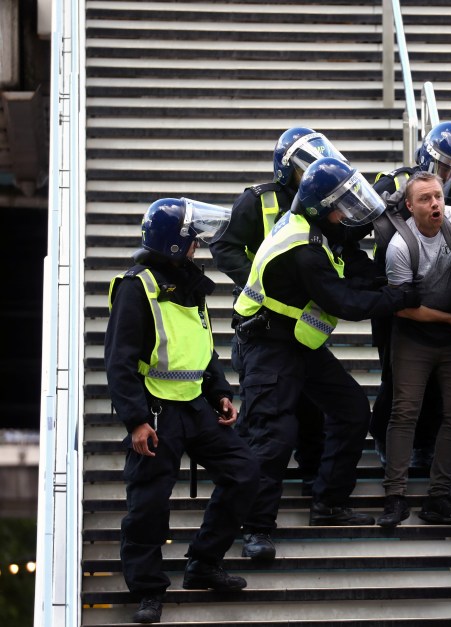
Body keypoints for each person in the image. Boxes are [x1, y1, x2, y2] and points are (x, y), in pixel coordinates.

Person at [234, 157, 420, 562]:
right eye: (343, 205)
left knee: (352, 411)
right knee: (274, 437)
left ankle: (329, 503)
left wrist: (407, 279)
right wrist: (398, 297)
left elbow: (357, 273)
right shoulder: (303, 247)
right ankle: (256, 529)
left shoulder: (323, 233)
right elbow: (345, 301)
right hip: (267, 346)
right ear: (322, 208)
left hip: (298, 344)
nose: (349, 212)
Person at [104, 198, 259, 624]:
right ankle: (149, 591)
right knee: (149, 505)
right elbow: (118, 361)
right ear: (174, 246)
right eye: (192, 240)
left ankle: (203, 563)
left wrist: (220, 393)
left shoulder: (189, 283)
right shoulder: (138, 287)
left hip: (195, 406)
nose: (197, 247)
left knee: (245, 472)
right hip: (155, 411)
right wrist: (135, 420)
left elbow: (201, 347)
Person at [210, 127, 346, 497]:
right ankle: (244, 494)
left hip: (304, 325)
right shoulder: (257, 201)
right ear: (286, 170)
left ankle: (311, 477)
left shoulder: (324, 202)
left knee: (312, 411)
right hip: (263, 324)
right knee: (266, 419)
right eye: (306, 167)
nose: (314, 172)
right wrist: (259, 280)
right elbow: (223, 247)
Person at [376, 171, 451, 527]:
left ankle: (439, 496)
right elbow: (402, 307)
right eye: (425, 199)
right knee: (404, 411)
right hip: (413, 333)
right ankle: (395, 495)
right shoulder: (399, 246)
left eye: (438, 196)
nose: (435, 203)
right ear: (410, 206)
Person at [367, 121, 451, 468]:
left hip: (443, 292)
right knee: (395, 373)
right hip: (395, 291)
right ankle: (385, 436)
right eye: (443, 167)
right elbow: (356, 224)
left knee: (435, 383)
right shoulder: (390, 183)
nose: (447, 177)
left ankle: (424, 444)